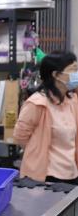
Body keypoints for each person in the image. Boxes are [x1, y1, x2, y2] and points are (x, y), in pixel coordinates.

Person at [14, 51, 78, 185]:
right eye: (74, 70)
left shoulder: (72, 100)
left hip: (72, 173)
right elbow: (20, 137)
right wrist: (38, 150)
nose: (76, 75)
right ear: (56, 75)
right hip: (46, 176)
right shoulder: (37, 103)